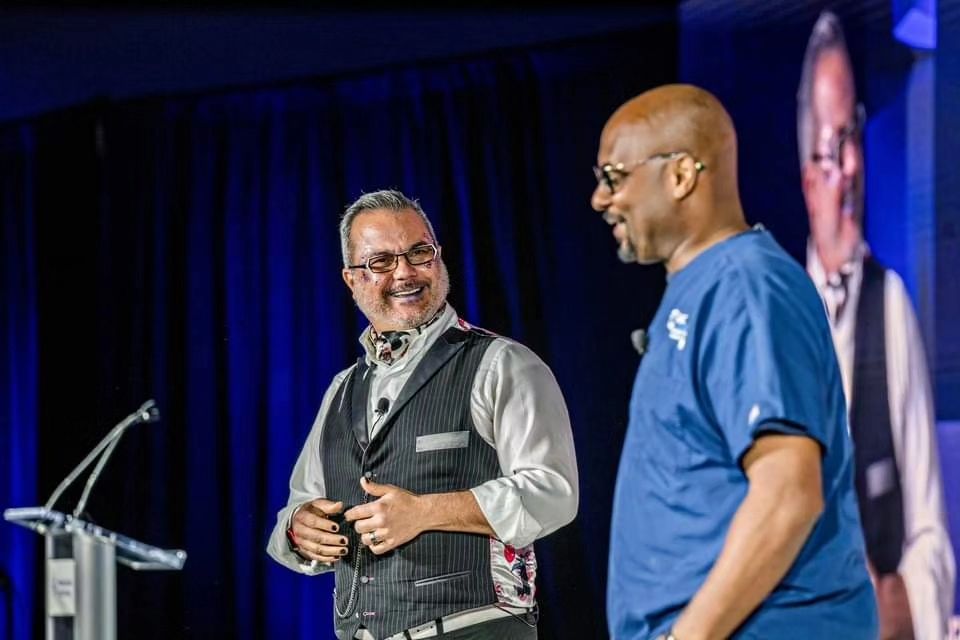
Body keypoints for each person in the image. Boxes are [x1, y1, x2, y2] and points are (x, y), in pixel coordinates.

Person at [591, 83, 878, 639]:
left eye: (613, 177)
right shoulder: (707, 287)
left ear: (681, 174)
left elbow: (788, 491)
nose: (600, 200)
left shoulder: (745, 285)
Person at [266, 189, 578, 640]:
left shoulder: (503, 364)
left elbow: (553, 493)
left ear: (439, 257)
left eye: (419, 252)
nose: (405, 272)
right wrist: (300, 530)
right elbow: (298, 507)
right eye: (381, 262)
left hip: (476, 628)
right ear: (351, 280)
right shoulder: (341, 389)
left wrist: (426, 511)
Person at [798, 11, 956, 639]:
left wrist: (900, 605)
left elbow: (929, 526)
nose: (850, 166)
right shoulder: (781, 314)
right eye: (832, 145)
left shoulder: (890, 302)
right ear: (806, 174)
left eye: (853, 136)